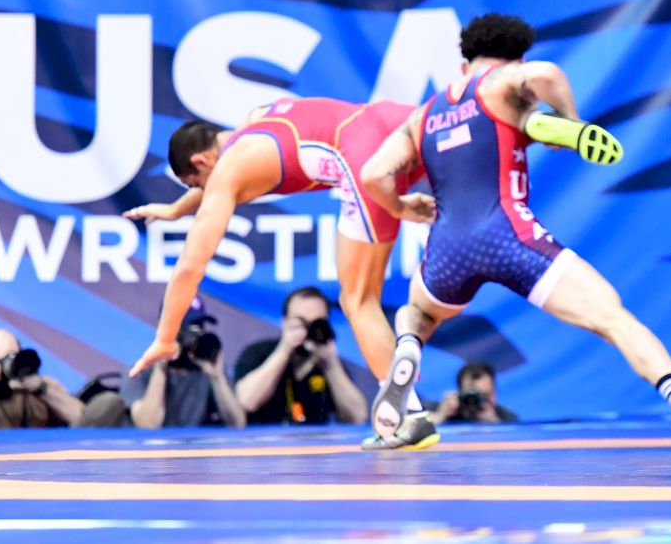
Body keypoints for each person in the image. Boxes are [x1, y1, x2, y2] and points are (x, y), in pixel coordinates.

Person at [360, 13, 671, 452]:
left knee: (416, 315)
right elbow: (547, 74)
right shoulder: (502, 82)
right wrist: (570, 120)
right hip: (508, 235)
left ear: (464, 65)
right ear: (515, 56)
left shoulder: (424, 115)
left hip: (448, 247)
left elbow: (373, 174)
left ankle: (411, 376)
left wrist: (402, 207)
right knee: (610, 316)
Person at [126, 98, 438, 449]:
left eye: (197, 185)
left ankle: (409, 416)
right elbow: (219, 185)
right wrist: (175, 209)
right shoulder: (254, 120)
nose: (204, 193)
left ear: (201, 161)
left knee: (358, 300)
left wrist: (165, 338)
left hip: (363, 156)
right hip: (392, 121)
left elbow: (189, 267)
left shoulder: (229, 169)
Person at [234, 287, 367, 425]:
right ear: (284, 322)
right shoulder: (258, 353)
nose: (307, 330)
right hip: (263, 443)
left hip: (315, 443)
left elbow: (358, 417)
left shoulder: (329, 363)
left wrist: (331, 364)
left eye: (316, 323)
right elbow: (247, 402)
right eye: (300, 322)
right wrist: (284, 351)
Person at [110, 299, 247, 429]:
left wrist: (217, 377)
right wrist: (161, 368)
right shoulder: (139, 372)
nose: (195, 334)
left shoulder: (205, 371)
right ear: (165, 327)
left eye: (200, 326)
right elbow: (149, 425)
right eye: (188, 327)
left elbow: (237, 424)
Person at [430, 361, 517, 425]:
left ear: (494, 393)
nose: (476, 400)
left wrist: (495, 425)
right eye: (472, 395)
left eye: (485, 396)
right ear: (459, 392)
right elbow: (418, 429)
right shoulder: (443, 410)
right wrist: (440, 417)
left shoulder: (506, 418)